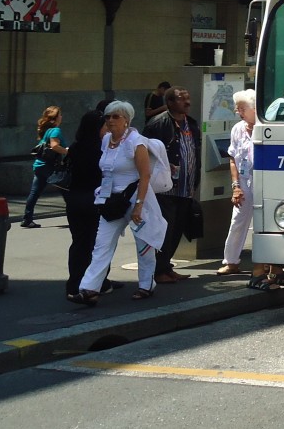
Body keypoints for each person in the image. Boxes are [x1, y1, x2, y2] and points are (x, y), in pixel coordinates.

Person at [73, 101, 166, 304]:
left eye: (116, 116)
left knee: (144, 244)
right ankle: (89, 289)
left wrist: (139, 205)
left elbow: (145, 176)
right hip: (111, 201)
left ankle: (146, 284)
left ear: (126, 120)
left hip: (135, 199)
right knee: (101, 244)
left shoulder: (136, 142)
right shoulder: (106, 140)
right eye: (107, 117)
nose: (110, 120)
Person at [142, 86, 201, 283]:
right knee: (164, 230)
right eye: (182, 99)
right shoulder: (158, 124)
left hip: (186, 187)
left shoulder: (190, 124)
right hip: (165, 188)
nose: (187, 102)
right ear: (170, 103)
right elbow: (145, 154)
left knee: (177, 229)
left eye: (188, 98)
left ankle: (166, 266)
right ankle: (158, 271)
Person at [64, 108, 120, 298]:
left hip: (74, 199)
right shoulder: (101, 150)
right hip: (95, 200)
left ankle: (74, 284)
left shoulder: (75, 147)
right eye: (105, 125)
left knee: (79, 243)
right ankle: (98, 283)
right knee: (98, 245)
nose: (108, 128)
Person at [217, 89, 256, 277]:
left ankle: (279, 264)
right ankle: (231, 261)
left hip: (267, 181)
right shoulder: (237, 129)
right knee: (237, 221)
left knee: (271, 223)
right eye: (237, 108)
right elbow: (232, 158)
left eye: (241, 108)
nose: (238, 112)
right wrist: (236, 186)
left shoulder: (266, 128)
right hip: (245, 181)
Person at [23, 105, 68, 228]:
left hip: (39, 165)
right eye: (60, 115)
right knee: (66, 189)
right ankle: (74, 216)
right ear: (55, 118)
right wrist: (67, 151)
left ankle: (27, 219)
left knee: (34, 192)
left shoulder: (46, 131)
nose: (61, 117)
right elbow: (54, 146)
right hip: (49, 167)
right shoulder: (55, 130)